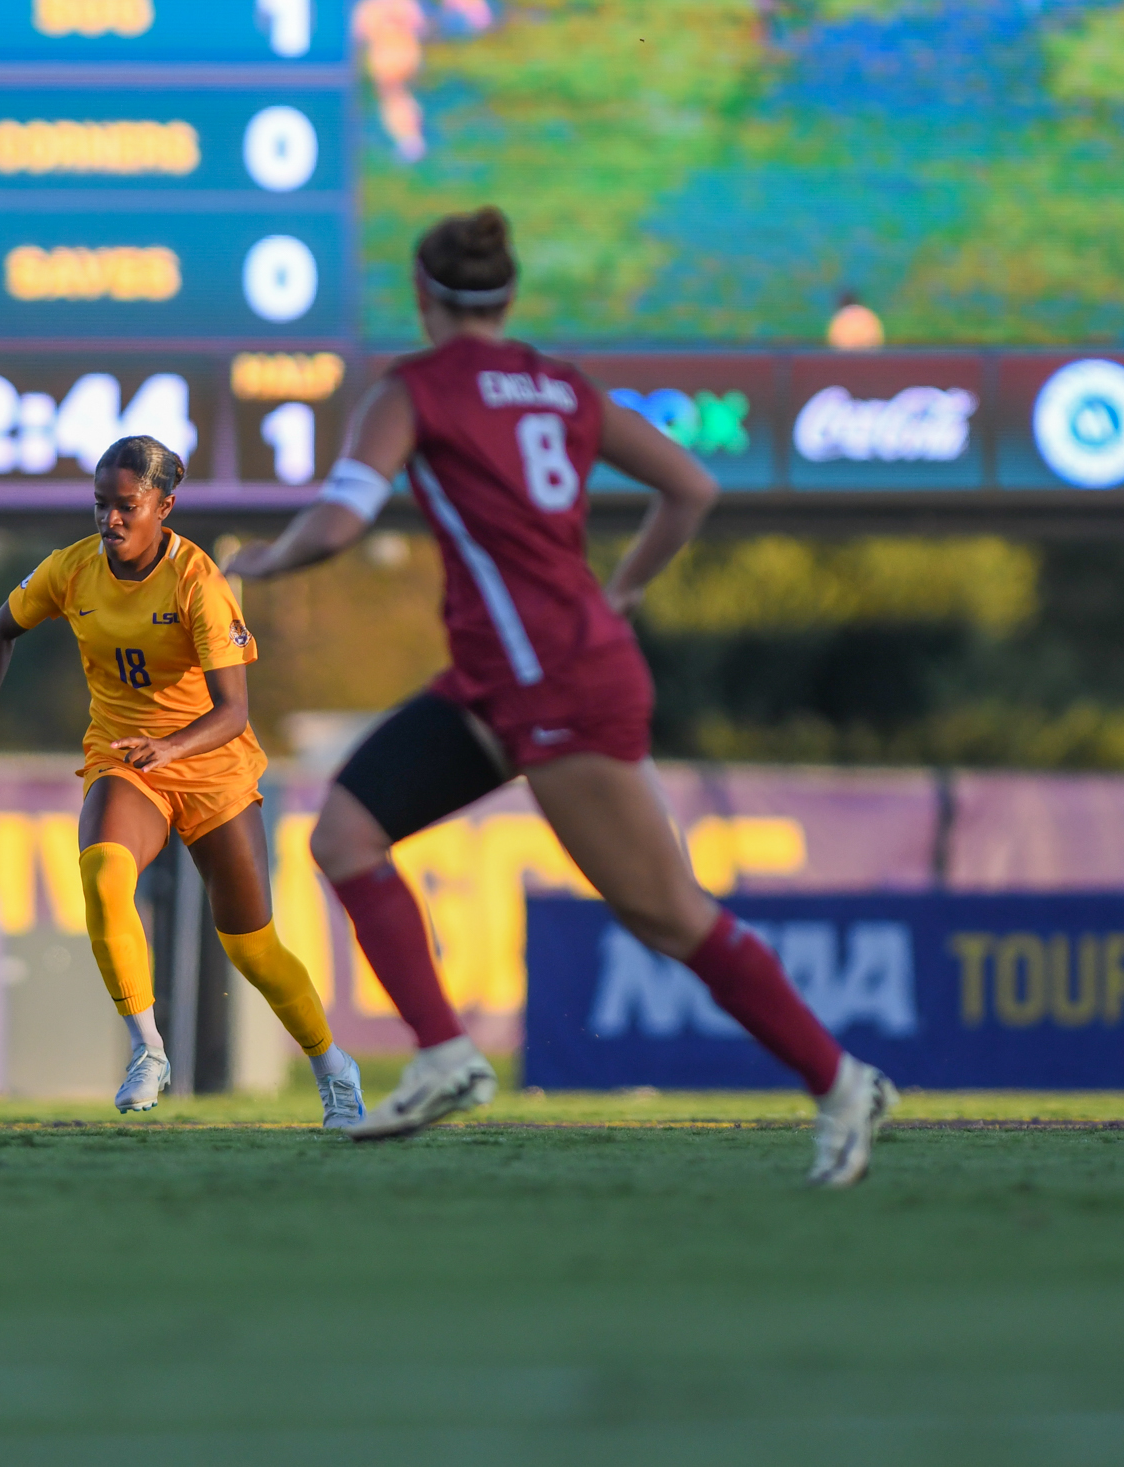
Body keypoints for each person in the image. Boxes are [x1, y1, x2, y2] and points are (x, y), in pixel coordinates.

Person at [225, 208, 898, 1185]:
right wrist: (619, 590)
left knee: (666, 914)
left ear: (422, 297)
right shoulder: (557, 386)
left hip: (552, 680)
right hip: (505, 674)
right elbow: (691, 486)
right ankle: (446, 1056)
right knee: (344, 837)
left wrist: (267, 559)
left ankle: (841, 1080)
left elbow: (337, 522)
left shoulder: (413, 389)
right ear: (506, 298)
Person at [0, 436, 365, 1127]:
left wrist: (171, 746)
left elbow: (235, 711)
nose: (110, 521)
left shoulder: (198, 582)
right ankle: (148, 1048)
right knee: (104, 875)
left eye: (126, 506)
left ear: (165, 506)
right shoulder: (71, 570)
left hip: (210, 767)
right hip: (125, 759)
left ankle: (333, 1065)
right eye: (100, 505)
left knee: (252, 946)